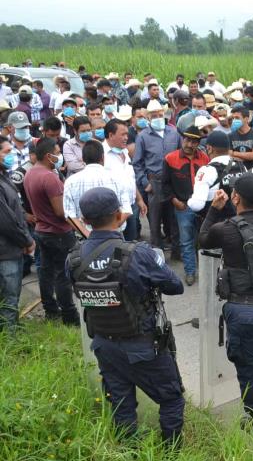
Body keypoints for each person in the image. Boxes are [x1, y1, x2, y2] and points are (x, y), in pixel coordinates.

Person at [66, 187, 185, 445]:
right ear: (120, 215)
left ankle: (129, 455)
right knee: (171, 398)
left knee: (121, 404)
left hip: (104, 344)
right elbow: (175, 286)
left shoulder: (74, 257)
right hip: (143, 345)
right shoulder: (137, 253)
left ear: (85, 220)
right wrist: (158, 263)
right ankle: (172, 455)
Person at [198, 174, 253, 443]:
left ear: (235, 197)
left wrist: (214, 208)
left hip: (243, 311)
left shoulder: (226, 229)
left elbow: (202, 240)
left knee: (248, 368)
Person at [23, 138, 80, 325]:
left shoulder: (30, 173)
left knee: (45, 273)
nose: (59, 155)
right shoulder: (49, 177)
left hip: (41, 230)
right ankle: (69, 316)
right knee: (63, 276)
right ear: (49, 156)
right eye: (57, 151)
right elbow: (61, 211)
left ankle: (51, 310)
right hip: (59, 233)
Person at [162, 127, 210, 285]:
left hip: (203, 206)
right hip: (182, 206)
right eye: (187, 140)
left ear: (198, 143)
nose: (189, 144)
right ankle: (190, 271)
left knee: (203, 239)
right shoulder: (170, 158)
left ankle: (205, 271)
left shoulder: (205, 159)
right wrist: (174, 200)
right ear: (183, 140)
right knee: (186, 240)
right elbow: (165, 184)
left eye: (194, 141)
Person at [132, 100, 181, 250]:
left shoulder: (173, 133)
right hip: (154, 181)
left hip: (172, 182)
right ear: (148, 117)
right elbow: (137, 163)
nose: (158, 118)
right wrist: (145, 182)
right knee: (154, 220)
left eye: (160, 115)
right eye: (154, 116)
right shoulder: (142, 137)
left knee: (173, 218)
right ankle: (156, 253)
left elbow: (180, 155)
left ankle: (176, 250)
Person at [0, 136, 35, 332]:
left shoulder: (5, 176)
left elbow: (16, 210)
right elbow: (6, 221)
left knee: (11, 294)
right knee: (9, 297)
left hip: (11, 247)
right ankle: (10, 338)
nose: (11, 156)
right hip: (5, 251)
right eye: (6, 152)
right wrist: (26, 240)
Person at [63, 140, 133, 237]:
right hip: (115, 237)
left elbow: (69, 216)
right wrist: (111, 229)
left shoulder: (70, 182)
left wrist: (88, 235)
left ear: (83, 159)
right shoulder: (117, 178)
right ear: (103, 157)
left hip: (85, 240)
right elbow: (127, 210)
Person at [102, 119, 146, 241]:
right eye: (123, 134)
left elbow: (129, 179)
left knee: (131, 243)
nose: (126, 138)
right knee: (116, 246)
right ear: (111, 135)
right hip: (113, 211)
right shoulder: (101, 155)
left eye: (127, 134)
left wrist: (139, 199)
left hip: (130, 207)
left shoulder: (124, 152)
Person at [228, 105, 253, 170]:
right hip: (236, 170)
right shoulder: (230, 136)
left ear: (246, 119)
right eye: (233, 118)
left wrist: (234, 153)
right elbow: (229, 156)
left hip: (252, 171)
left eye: (237, 118)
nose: (234, 120)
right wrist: (247, 156)